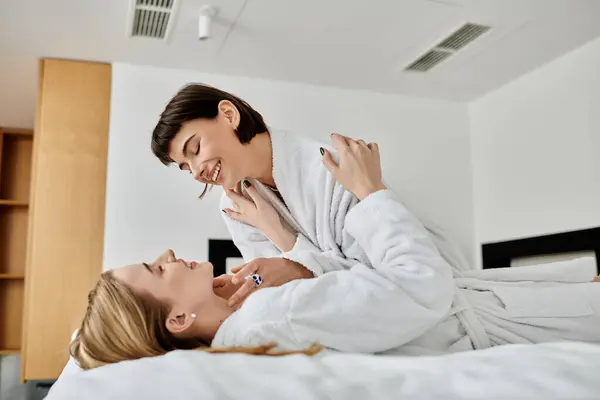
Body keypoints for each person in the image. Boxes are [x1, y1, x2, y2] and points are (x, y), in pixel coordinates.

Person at [71, 135, 600, 370]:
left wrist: (288, 255)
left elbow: (355, 295)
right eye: (154, 268)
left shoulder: (252, 313)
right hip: (508, 325)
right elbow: (422, 285)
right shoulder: (270, 317)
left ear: (228, 117)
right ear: (181, 317)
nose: (165, 253)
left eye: (193, 152)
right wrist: (372, 193)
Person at [150, 84, 472, 308]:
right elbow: (280, 292)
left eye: (195, 149)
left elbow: (381, 283)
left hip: (437, 287)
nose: (195, 172)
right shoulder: (235, 206)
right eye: (184, 167)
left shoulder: (328, 167)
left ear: (229, 115)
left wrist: (280, 236)